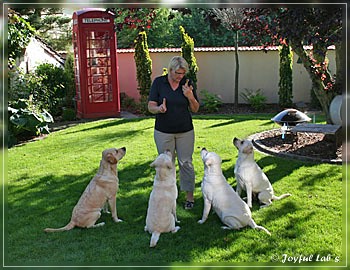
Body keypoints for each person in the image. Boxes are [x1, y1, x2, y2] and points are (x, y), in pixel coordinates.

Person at [148, 56, 200, 210]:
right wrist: (159, 109)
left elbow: (196, 109)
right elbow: (150, 106)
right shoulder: (159, 83)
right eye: (177, 73)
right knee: (166, 164)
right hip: (164, 131)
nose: (180, 76)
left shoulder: (187, 83)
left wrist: (190, 96)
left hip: (185, 131)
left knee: (186, 163)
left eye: (183, 73)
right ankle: (167, 196)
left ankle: (189, 197)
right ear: (170, 70)